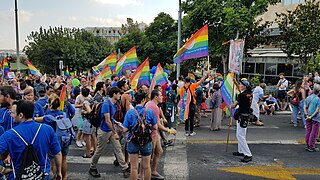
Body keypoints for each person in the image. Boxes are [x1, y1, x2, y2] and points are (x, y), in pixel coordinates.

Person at [0, 100, 62, 180]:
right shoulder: (47, 129)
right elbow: (57, 153)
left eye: (13, 113)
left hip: (19, 175)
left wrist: (3, 169)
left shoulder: (9, 135)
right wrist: (58, 171)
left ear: (21, 115)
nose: (11, 115)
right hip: (42, 174)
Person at [89, 87, 130, 178]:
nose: (120, 95)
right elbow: (107, 120)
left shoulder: (114, 104)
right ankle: (92, 167)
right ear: (114, 94)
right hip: (104, 131)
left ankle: (125, 168)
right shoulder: (106, 105)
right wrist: (115, 131)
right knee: (99, 150)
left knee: (118, 148)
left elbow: (110, 118)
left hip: (110, 130)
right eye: (118, 94)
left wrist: (115, 122)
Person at [123, 91, 158, 180]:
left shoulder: (130, 112)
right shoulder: (149, 111)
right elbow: (155, 127)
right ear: (143, 100)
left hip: (133, 140)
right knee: (147, 167)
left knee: (134, 168)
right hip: (146, 141)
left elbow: (125, 129)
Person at [145, 90, 176, 180]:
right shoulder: (153, 107)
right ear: (155, 97)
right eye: (160, 95)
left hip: (155, 133)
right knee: (149, 156)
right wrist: (170, 131)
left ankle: (153, 171)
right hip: (152, 134)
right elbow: (158, 125)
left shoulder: (151, 104)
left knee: (159, 151)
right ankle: (146, 174)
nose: (162, 97)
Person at [39, 94, 71, 180]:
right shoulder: (64, 114)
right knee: (64, 159)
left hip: (54, 142)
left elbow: (36, 119)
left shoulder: (48, 117)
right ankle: (64, 177)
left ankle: (56, 176)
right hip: (65, 139)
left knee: (53, 161)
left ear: (50, 104)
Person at [179, 72, 209, 136]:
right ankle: (191, 131)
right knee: (192, 118)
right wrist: (205, 75)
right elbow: (200, 82)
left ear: (184, 81)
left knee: (186, 118)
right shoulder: (192, 86)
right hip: (192, 104)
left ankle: (186, 132)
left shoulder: (182, 89)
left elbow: (181, 98)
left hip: (185, 105)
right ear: (190, 81)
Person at [231, 78, 253, 163]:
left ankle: (248, 154)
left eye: (241, 84)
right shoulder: (249, 94)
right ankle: (241, 151)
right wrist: (236, 83)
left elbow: (234, 105)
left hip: (241, 115)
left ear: (244, 86)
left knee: (240, 136)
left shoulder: (242, 95)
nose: (239, 85)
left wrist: (231, 105)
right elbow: (241, 92)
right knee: (241, 134)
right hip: (246, 115)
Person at [81, 87, 97, 158]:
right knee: (93, 136)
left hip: (88, 120)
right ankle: (95, 150)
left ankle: (88, 153)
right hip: (93, 121)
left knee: (87, 137)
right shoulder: (92, 100)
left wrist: (83, 111)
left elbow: (89, 111)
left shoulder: (86, 102)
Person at [304, 84, 320, 152]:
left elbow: (305, 107)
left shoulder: (308, 98)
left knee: (308, 131)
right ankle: (311, 146)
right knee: (314, 133)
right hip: (315, 118)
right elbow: (317, 110)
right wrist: (311, 116)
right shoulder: (318, 99)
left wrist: (307, 115)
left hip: (308, 117)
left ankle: (307, 144)